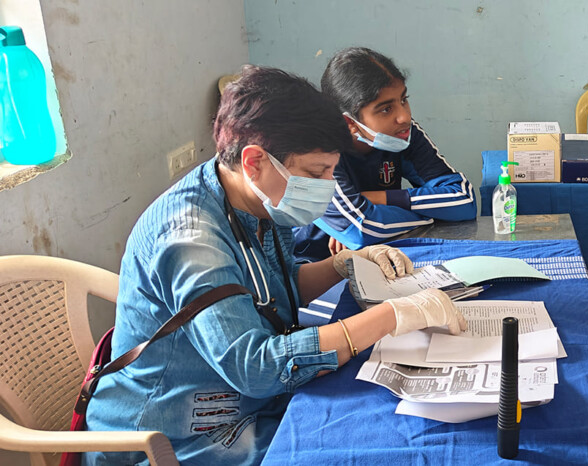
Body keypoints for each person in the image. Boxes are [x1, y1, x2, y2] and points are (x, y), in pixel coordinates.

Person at [84, 66, 467, 465]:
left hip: (248, 403)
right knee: (367, 443)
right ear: (254, 162)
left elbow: (273, 290)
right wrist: (393, 316)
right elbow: (257, 368)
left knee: (380, 418)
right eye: (317, 173)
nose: (328, 184)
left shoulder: (256, 200)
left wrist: (343, 263)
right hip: (177, 437)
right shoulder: (190, 242)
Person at [292, 47, 476, 262]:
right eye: (386, 109)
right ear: (349, 122)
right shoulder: (317, 150)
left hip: (384, 256)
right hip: (315, 265)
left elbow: (463, 199)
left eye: (403, 99)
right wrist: (431, 216)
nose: (404, 116)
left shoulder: (403, 134)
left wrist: (378, 199)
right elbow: (361, 230)